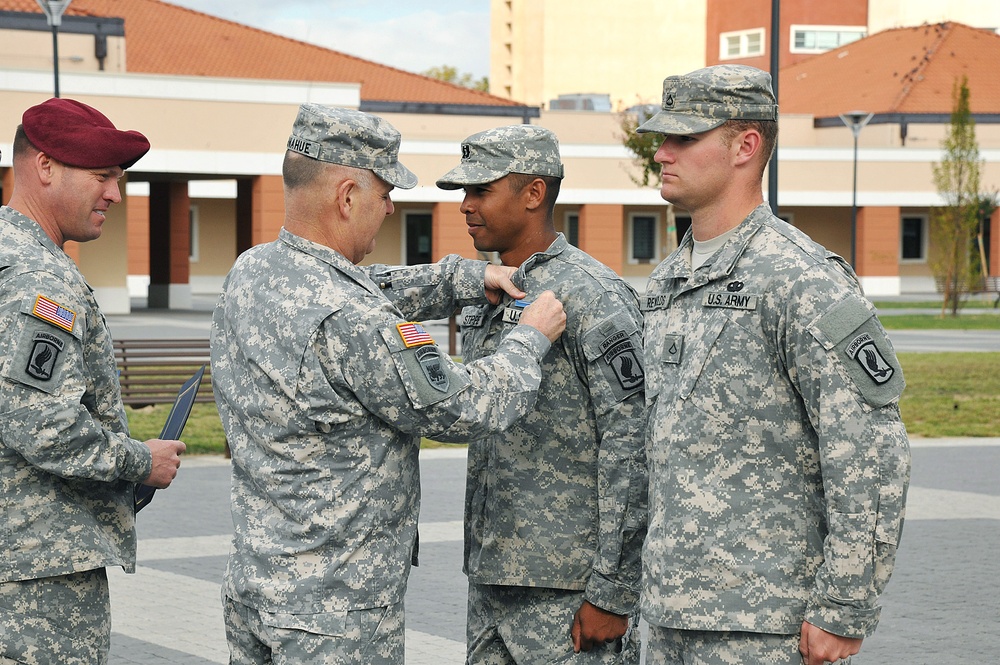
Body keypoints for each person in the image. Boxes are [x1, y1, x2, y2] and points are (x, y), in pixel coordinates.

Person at [210, 104, 566, 665]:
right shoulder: (356, 320)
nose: (390, 207)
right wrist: (529, 339)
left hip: (258, 588)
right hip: (335, 616)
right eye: (384, 194)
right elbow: (467, 407)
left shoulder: (254, 271)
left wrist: (465, 277)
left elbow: (365, 284)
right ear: (347, 195)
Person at [635, 64, 911, 665]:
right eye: (663, 137)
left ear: (745, 146)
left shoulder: (800, 279)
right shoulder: (665, 283)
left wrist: (844, 606)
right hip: (667, 613)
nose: (661, 153)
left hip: (765, 625)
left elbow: (868, 451)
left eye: (683, 138)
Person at [376, 124, 648, 663]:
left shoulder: (591, 293)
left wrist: (614, 589)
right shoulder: (490, 285)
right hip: (493, 576)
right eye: (463, 193)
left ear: (533, 193)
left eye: (480, 191)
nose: (465, 206)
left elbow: (633, 444)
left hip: (567, 590)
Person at [0, 98, 186, 664]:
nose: (115, 193)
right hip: (38, 569)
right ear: (45, 167)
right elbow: (41, 422)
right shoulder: (38, 277)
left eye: (119, 178)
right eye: (102, 175)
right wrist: (139, 461)